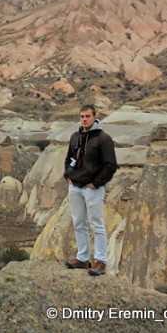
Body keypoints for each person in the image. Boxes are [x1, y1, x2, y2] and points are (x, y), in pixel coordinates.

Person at [63, 104, 118, 276]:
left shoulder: (103, 139)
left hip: (92, 189)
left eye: (87, 116)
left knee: (97, 224)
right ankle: (82, 258)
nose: (84, 119)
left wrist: (96, 183)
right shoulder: (75, 137)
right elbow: (68, 159)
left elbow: (111, 165)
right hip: (75, 187)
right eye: (82, 116)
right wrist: (68, 176)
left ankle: (101, 261)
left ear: (95, 117)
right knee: (78, 222)